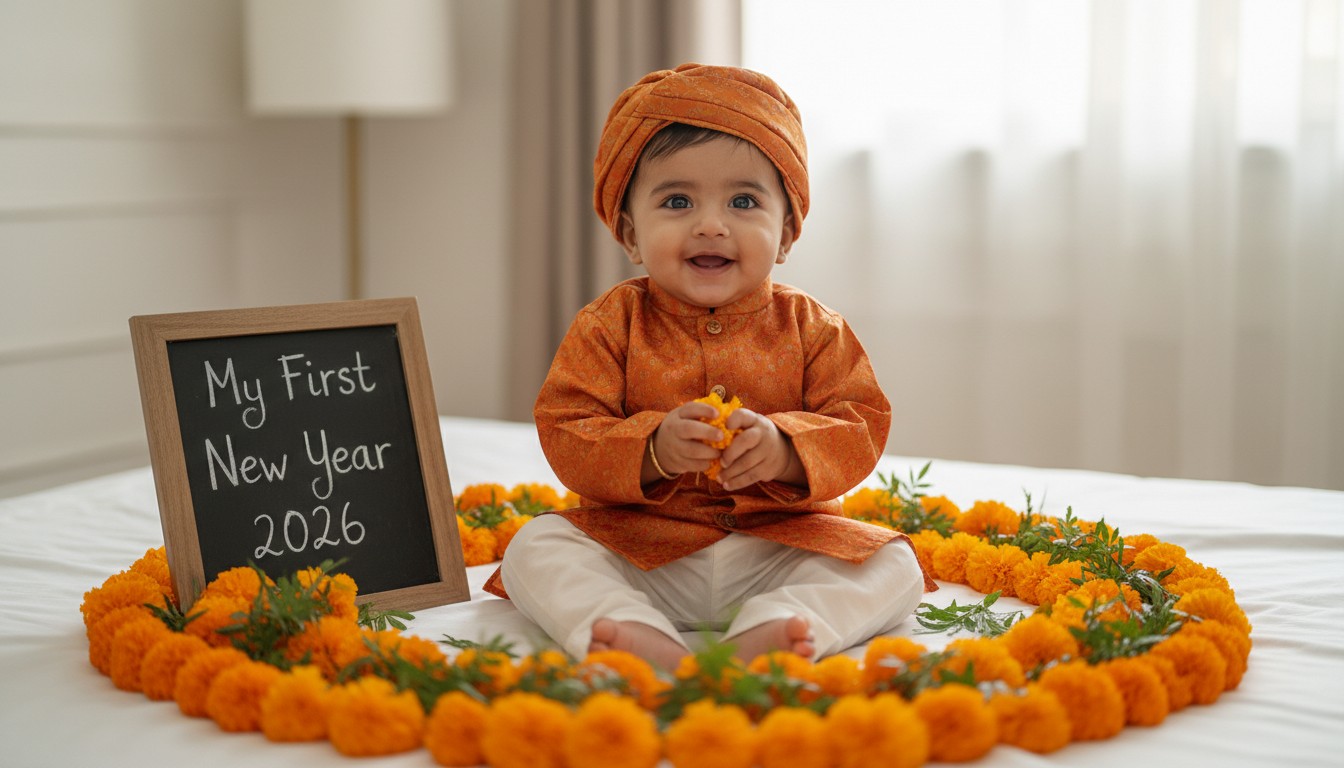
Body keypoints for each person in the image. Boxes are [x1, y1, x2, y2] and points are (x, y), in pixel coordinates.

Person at [487, 63, 935, 669]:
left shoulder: (813, 327)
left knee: (893, 561)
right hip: (640, 545)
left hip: (777, 547)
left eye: (743, 201)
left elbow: (861, 422)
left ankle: (781, 625)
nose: (711, 224)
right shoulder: (608, 324)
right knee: (534, 546)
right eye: (677, 201)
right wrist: (652, 449)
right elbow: (566, 426)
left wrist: (784, 448)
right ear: (630, 234)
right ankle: (622, 626)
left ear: (785, 233)